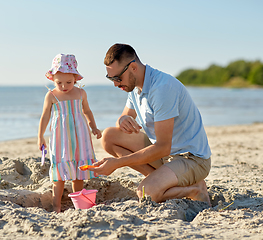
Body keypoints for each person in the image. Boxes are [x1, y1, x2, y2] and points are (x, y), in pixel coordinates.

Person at [90, 43, 212, 206]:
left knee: (146, 193)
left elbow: (163, 147)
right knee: (109, 137)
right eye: (110, 78)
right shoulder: (134, 87)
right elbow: (125, 117)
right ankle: (163, 179)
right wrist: (122, 119)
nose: (115, 84)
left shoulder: (162, 89)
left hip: (191, 159)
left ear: (132, 67)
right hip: (166, 157)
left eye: (117, 78)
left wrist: (117, 163)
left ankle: (195, 189)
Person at [38, 54, 102, 212]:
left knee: (78, 172)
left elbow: (87, 111)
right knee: (59, 175)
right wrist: (40, 136)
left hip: (80, 136)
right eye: (59, 82)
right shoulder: (52, 95)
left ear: (75, 78)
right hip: (61, 138)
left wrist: (93, 127)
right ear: (53, 79)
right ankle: (56, 205)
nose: (64, 86)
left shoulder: (80, 94)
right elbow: (45, 116)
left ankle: (78, 204)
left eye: (69, 82)